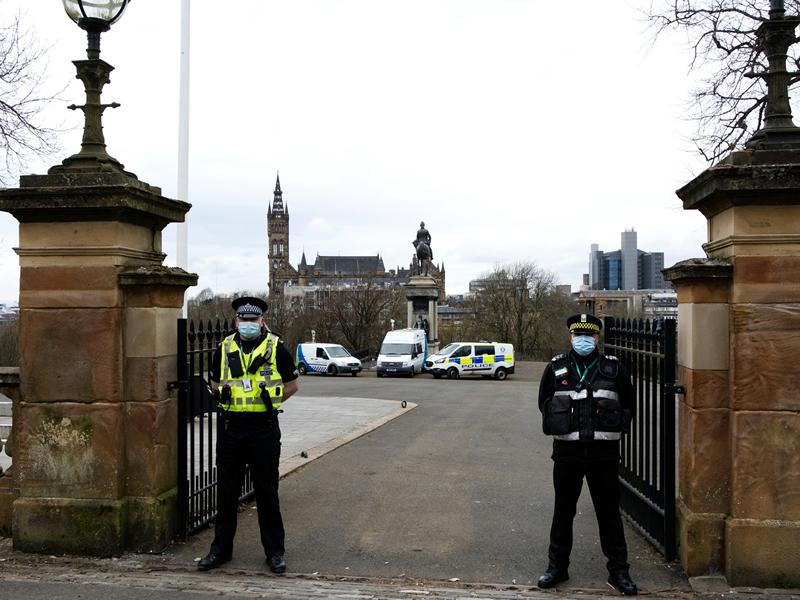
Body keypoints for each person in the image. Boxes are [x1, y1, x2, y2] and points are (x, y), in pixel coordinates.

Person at [536, 314, 637, 596]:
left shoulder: (613, 369)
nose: (583, 340)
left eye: (589, 336)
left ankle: (619, 572)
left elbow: (629, 403)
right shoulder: (556, 367)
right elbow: (543, 402)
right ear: (570, 337)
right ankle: (557, 567)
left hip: (603, 456)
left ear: (597, 338)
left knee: (609, 514)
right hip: (567, 455)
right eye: (577, 335)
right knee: (563, 512)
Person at [198, 296, 299, 574]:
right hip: (232, 428)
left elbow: (292, 385)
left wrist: (271, 404)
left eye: (253, 320)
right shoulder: (224, 347)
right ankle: (220, 550)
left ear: (262, 321)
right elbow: (214, 382)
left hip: (263, 429)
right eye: (244, 320)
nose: (248, 324)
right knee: (226, 493)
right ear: (236, 321)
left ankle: (275, 552)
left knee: (267, 493)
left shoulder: (275, 347)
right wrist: (223, 396)